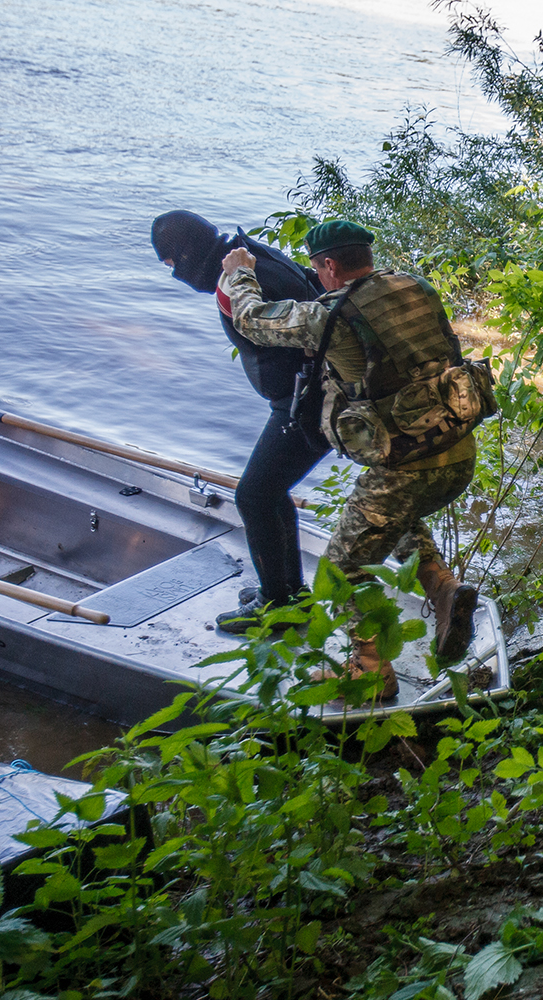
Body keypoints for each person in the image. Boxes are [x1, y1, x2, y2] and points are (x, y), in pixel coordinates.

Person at [218, 219, 479, 700]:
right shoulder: (414, 286)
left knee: (340, 570)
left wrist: (239, 271)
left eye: (318, 270)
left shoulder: (329, 316)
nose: (318, 278)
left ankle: (370, 669)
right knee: (392, 522)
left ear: (330, 265)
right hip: (457, 453)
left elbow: (251, 319)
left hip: (407, 467)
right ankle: (442, 587)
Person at [151, 210, 331, 631]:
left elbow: (285, 327)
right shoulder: (248, 253)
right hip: (306, 395)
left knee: (253, 496)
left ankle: (274, 605)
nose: (173, 273)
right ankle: (289, 594)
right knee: (268, 491)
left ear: (183, 253)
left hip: (309, 401)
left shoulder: (239, 276)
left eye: (169, 264)